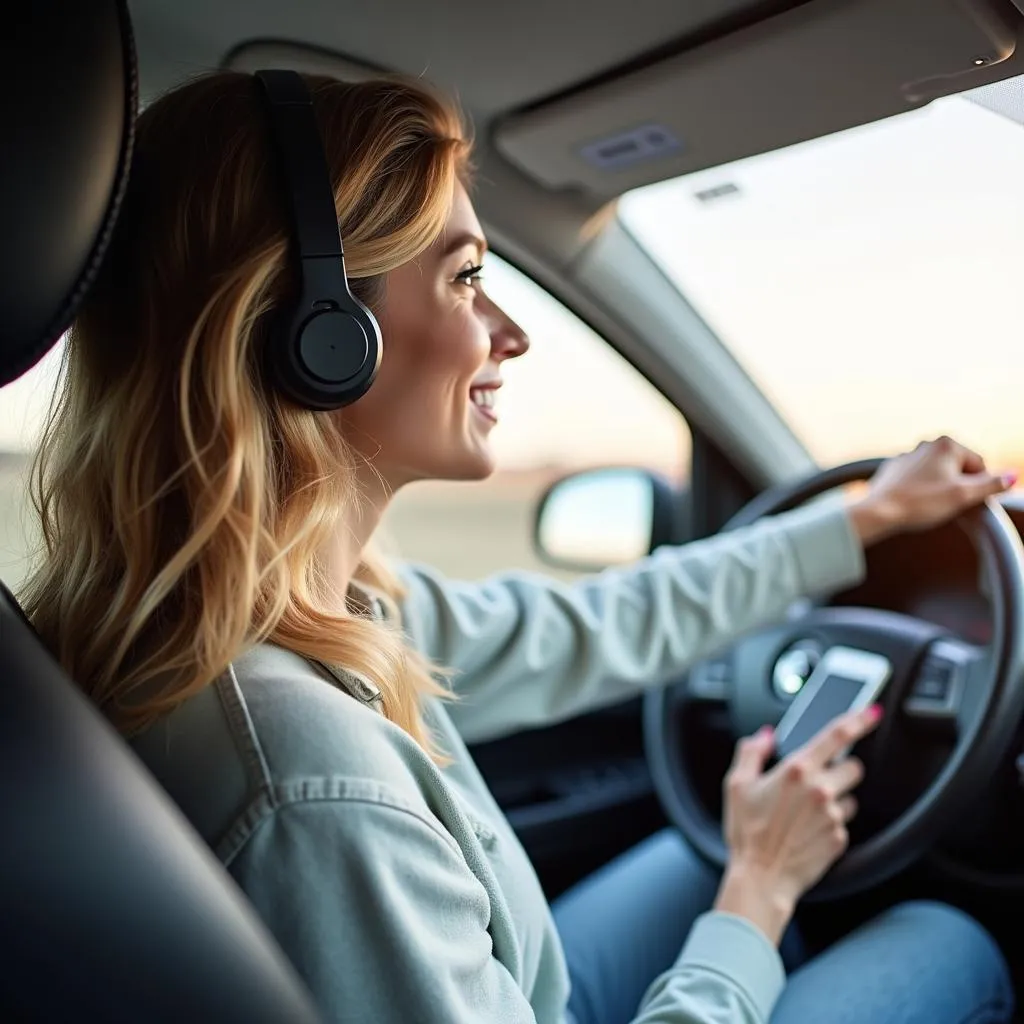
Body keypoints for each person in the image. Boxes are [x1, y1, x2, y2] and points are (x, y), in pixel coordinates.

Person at [18, 69, 1015, 1024]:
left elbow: (595, 623)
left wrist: (864, 518)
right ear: (318, 335)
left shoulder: (304, 611)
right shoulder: (311, 779)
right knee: (942, 939)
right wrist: (758, 893)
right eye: (465, 279)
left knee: (693, 858)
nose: (509, 334)